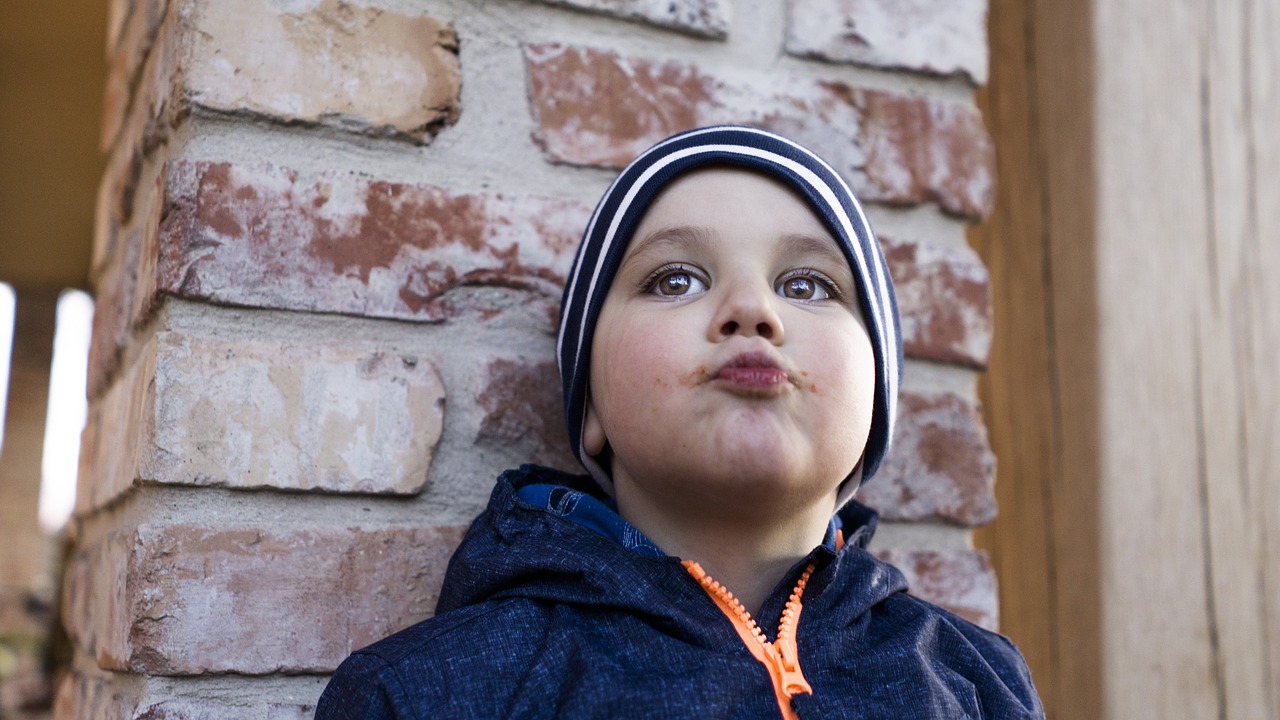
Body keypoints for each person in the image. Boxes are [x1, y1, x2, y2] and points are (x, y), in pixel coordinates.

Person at [315, 126, 1044, 719]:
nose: (752, 309)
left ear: (876, 402)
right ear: (590, 407)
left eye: (807, 284)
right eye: (676, 279)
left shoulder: (978, 681)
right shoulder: (431, 691)